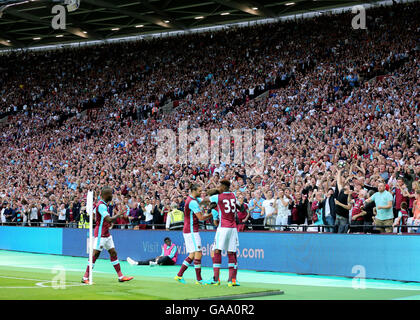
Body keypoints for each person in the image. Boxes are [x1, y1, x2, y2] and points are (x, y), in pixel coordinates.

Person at [81, 186, 133, 284]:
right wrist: (119, 214)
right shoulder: (101, 205)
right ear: (105, 195)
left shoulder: (103, 205)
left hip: (107, 234)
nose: (111, 196)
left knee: (113, 253)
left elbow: (93, 213)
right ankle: (85, 277)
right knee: (95, 255)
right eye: (110, 194)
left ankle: (121, 276)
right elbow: (108, 219)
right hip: (100, 234)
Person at [174, 184, 212, 285]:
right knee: (198, 253)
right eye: (199, 190)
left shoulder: (193, 199)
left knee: (192, 254)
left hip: (188, 230)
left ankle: (179, 275)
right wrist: (213, 214)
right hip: (191, 231)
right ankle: (199, 280)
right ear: (193, 190)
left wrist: (213, 198)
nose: (201, 192)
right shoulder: (192, 202)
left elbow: (204, 202)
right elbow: (201, 218)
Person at [206, 179, 241, 287]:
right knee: (231, 252)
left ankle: (216, 279)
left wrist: (208, 207)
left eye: (220, 186)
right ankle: (232, 280)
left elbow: (206, 199)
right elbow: (241, 207)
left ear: (224, 187)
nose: (218, 188)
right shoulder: (234, 196)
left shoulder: (217, 197)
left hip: (223, 227)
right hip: (233, 228)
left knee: (217, 251)